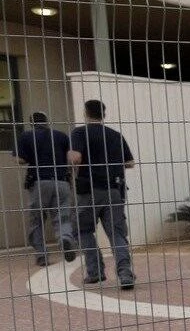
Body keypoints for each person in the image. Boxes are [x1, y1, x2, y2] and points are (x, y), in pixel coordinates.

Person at [68, 99, 135, 289]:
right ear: (103, 114)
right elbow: (130, 162)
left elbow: (75, 158)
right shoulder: (115, 135)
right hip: (114, 190)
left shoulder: (79, 132)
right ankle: (125, 273)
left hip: (88, 190)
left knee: (82, 229)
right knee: (117, 233)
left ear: (85, 113)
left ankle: (95, 271)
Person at [16, 112, 76, 266]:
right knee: (63, 217)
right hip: (62, 181)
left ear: (31, 123)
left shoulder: (26, 136)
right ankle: (65, 238)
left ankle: (42, 255)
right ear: (47, 122)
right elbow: (71, 159)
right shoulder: (61, 136)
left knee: (37, 220)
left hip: (39, 182)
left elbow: (20, 159)